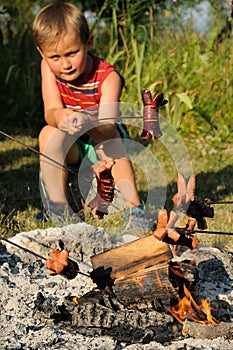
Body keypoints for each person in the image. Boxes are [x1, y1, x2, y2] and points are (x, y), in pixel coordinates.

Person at [32, 2, 148, 231]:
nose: (64, 64)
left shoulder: (107, 77)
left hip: (102, 142)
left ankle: (134, 208)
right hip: (73, 146)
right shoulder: (47, 68)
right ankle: (57, 209)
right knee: (47, 133)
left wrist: (87, 121)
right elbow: (50, 112)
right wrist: (61, 116)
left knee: (110, 141)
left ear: (89, 43)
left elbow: (107, 127)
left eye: (72, 53)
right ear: (42, 53)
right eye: (55, 57)